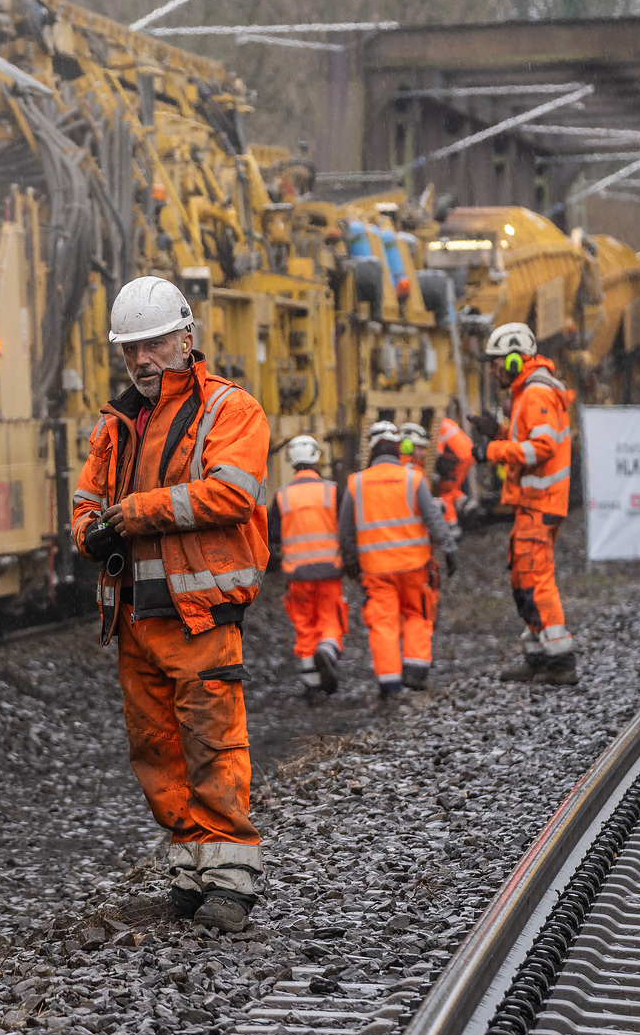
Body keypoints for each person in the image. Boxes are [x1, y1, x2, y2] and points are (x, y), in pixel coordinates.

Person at [71, 276, 272, 931]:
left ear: (186, 339)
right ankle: (189, 878)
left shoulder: (228, 410)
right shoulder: (117, 423)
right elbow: (86, 502)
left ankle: (231, 883)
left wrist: (136, 513)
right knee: (158, 753)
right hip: (137, 618)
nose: (142, 358)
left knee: (212, 745)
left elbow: (231, 493)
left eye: (153, 343)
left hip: (199, 614)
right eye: (131, 348)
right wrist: (90, 531)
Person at [479, 323, 578, 684]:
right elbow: (529, 439)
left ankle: (561, 660)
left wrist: (491, 450)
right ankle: (538, 655)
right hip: (533, 503)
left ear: (515, 361)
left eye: (497, 365)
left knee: (536, 578)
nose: (494, 372)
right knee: (524, 576)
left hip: (540, 502)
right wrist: (499, 433)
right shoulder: (529, 392)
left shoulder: (535, 393)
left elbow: (541, 448)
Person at [339, 420, 457, 701]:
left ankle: (389, 683)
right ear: (397, 448)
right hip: (415, 566)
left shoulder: (356, 483)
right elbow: (433, 518)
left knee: (383, 623)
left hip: (376, 570)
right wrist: (449, 549)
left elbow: (345, 531)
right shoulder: (413, 479)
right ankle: (416, 671)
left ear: (372, 449)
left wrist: (350, 562)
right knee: (417, 615)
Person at [265, 434, 345, 699]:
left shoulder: (282, 496)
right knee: (330, 617)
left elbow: (272, 534)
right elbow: (345, 528)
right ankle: (328, 650)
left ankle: (312, 685)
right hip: (329, 570)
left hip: (297, 574)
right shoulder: (332, 490)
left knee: (305, 624)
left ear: (291, 462)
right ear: (317, 459)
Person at [431, 413, 475, 526]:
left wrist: (434, 471)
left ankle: (451, 523)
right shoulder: (446, 421)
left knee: (444, 490)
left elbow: (437, 452)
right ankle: (463, 501)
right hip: (468, 453)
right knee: (453, 485)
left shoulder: (435, 426)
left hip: (458, 457)